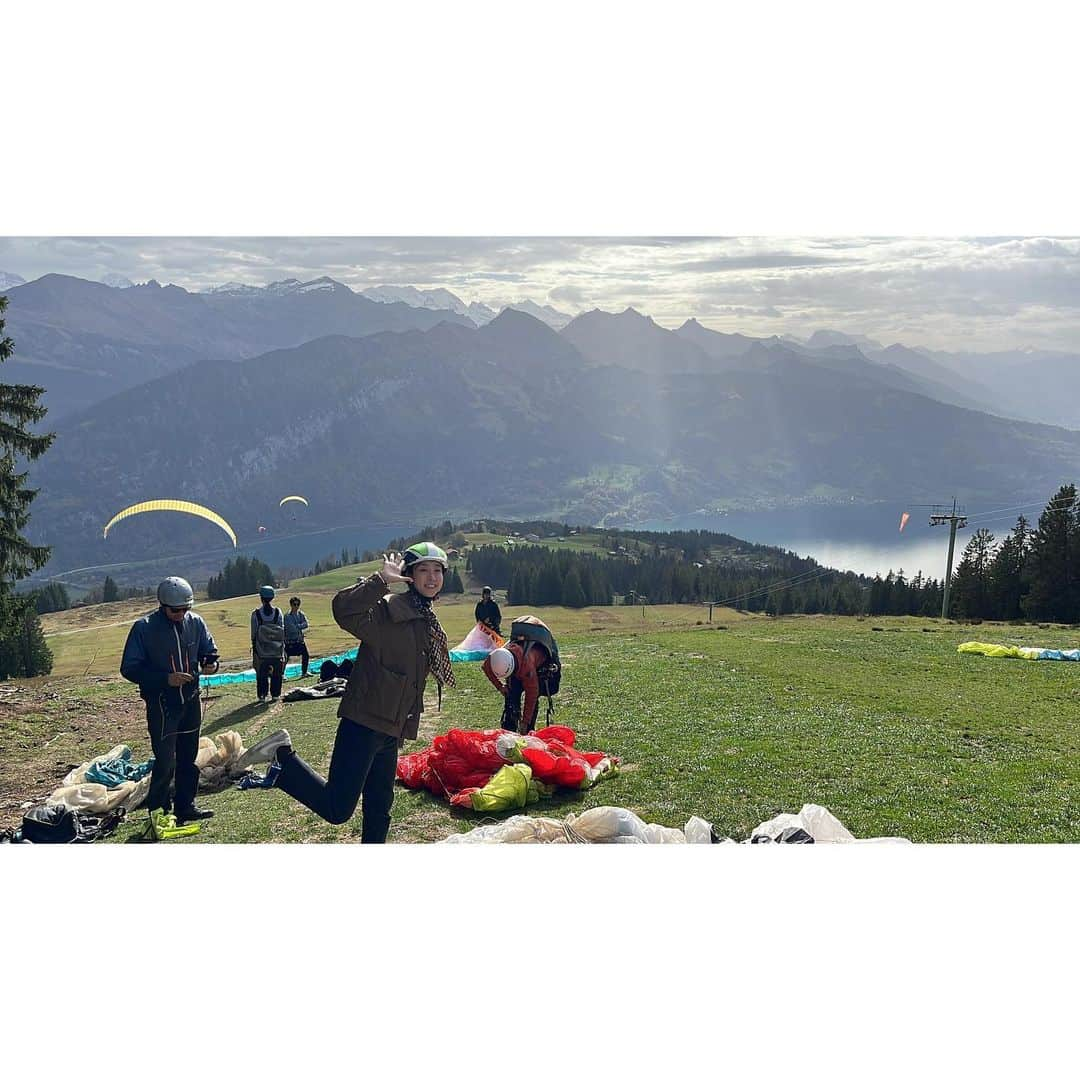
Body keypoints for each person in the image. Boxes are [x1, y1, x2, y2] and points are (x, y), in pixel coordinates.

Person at [237, 542, 456, 843]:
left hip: (391, 729)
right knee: (337, 809)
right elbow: (343, 609)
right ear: (409, 574)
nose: (432, 578)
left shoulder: (425, 620)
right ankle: (282, 758)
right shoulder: (389, 610)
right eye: (424, 570)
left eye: (437, 571)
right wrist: (380, 581)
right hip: (364, 724)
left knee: (380, 810)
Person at [120, 576, 219, 838]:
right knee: (166, 760)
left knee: (189, 757)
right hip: (162, 703)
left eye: (185, 609)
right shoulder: (144, 628)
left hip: (191, 699)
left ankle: (186, 806)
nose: (181, 614)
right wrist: (166, 679)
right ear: (162, 605)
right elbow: (129, 668)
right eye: (176, 610)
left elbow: (210, 652)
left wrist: (211, 664)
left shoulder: (195, 622)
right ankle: (160, 813)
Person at [482, 637, 547, 734]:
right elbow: (486, 667)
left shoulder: (527, 668)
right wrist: (500, 687)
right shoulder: (496, 657)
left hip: (537, 667)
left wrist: (525, 722)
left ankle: (528, 731)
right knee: (511, 697)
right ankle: (509, 730)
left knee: (532, 705)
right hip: (517, 665)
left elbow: (531, 695)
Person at [251, 584, 286, 703]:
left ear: (261, 598)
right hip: (277, 650)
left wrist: (255, 650)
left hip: (262, 651)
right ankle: (275, 694)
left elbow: (254, 634)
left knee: (261, 674)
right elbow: (282, 630)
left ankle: (262, 695)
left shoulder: (256, 614)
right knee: (277, 674)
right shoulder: (278, 612)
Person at [284, 595, 310, 676]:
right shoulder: (287, 616)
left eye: (298, 604)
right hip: (290, 641)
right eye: (294, 604)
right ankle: (281, 674)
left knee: (306, 655)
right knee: (285, 658)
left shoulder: (301, 614)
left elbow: (306, 624)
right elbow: (292, 629)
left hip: (299, 640)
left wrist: (297, 626)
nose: (296, 606)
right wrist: (300, 626)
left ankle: (304, 672)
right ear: (291, 605)